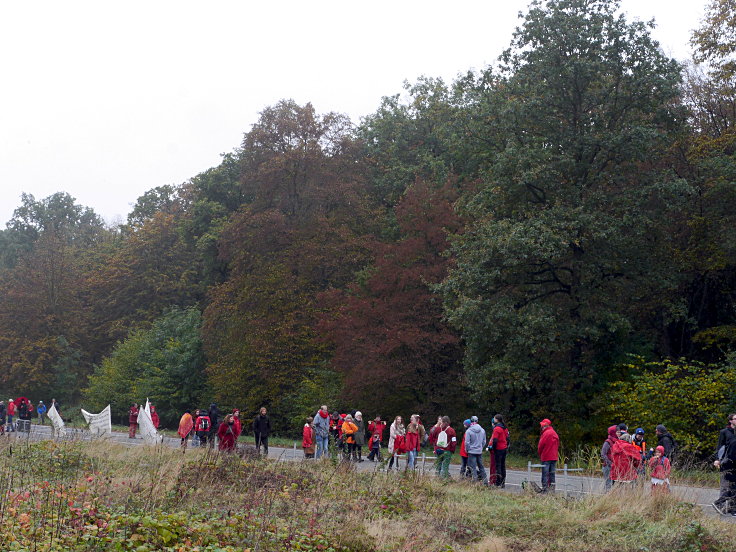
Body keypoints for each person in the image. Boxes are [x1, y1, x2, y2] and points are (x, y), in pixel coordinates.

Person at [712, 413, 736, 515]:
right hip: (726, 463)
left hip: (735, 464)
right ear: (730, 421)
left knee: (733, 487)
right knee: (725, 486)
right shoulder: (725, 432)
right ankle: (720, 506)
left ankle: (731, 508)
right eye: (735, 419)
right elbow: (720, 447)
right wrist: (717, 459)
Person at [465, 416, 488, 485]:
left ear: (471, 422)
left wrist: (467, 449)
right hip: (479, 451)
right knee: (481, 466)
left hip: (472, 451)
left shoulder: (469, 431)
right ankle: (485, 482)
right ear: (477, 421)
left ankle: (474, 482)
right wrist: (481, 447)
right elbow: (484, 441)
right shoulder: (482, 430)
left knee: (473, 467)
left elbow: (467, 442)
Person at [538, 419, 559, 493]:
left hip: (546, 456)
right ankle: (552, 489)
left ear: (545, 426)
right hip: (554, 457)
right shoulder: (554, 433)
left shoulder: (546, 433)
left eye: (542, 425)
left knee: (545, 474)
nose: (541, 427)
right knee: (552, 474)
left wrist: (540, 453)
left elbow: (540, 445)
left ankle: (545, 489)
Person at [489, 414, 510, 487]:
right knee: (502, 466)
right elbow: (508, 438)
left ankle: (498, 482)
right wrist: (506, 446)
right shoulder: (504, 428)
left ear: (496, 419)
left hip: (499, 448)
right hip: (504, 448)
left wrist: (493, 448)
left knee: (498, 466)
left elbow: (495, 440)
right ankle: (503, 482)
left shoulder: (497, 428)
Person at [601, 425, 618, 492]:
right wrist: (609, 463)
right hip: (608, 466)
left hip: (614, 466)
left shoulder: (616, 441)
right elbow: (603, 454)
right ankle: (606, 498)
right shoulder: (608, 442)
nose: (618, 434)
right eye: (617, 432)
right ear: (613, 432)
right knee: (608, 484)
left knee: (613, 484)